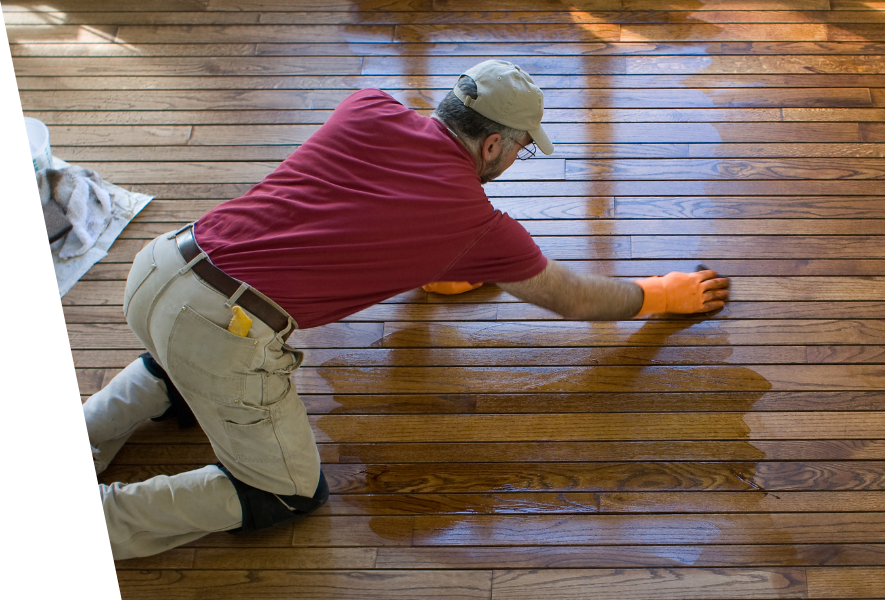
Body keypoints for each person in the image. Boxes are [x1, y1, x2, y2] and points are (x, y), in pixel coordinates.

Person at [86, 60, 729, 560]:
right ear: (492, 148)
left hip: (160, 269)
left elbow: (356, 212)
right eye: (522, 148)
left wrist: (443, 266)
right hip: (219, 328)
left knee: (177, 368)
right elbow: (574, 298)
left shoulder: (367, 107)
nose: (518, 160)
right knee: (283, 493)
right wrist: (661, 293)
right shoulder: (475, 222)